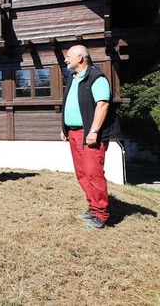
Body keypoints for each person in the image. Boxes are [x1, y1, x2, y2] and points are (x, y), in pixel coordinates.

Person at [61, 45, 118, 229]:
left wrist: (93, 131)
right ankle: (92, 208)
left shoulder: (97, 77)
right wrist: (64, 127)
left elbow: (102, 105)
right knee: (82, 173)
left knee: (94, 174)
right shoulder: (73, 78)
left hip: (90, 134)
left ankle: (101, 215)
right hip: (73, 133)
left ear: (80, 57)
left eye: (68, 56)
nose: (65, 60)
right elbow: (69, 104)